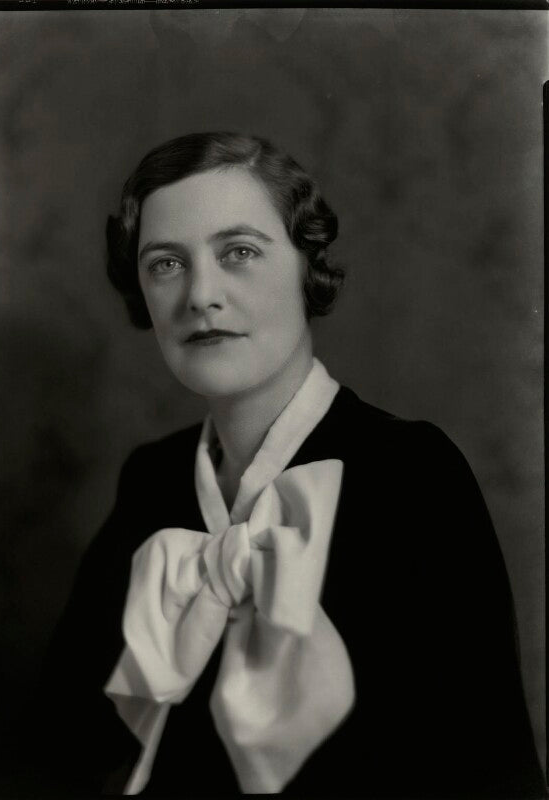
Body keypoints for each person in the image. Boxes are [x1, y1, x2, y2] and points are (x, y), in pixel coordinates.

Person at [34, 132, 546, 798]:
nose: (200, 294)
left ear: (307, 266)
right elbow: (67, 740)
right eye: (166, 263)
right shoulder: (152, 478)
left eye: (239, 252)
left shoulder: (410, 475)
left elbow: (489, 768)